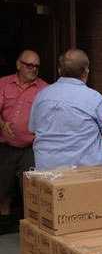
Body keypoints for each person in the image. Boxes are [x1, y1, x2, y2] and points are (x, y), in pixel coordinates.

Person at [28, 49, 102, 170]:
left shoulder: (41, 96)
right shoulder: (94, 98)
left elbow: (32, 130)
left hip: (47, 173)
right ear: (86, 72)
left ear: (59, 71)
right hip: (85, 173)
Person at [0, 50, 48, 233]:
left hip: (31, 147)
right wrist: (1, 124)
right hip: (5, 146)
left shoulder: (44, 89)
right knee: (3, 186)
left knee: (29, 188)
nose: (34, 69)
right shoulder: (3, 84)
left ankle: (30, 225)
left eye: (36, 66)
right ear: (19, 64)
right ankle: (4, 220)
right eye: (29, 65)